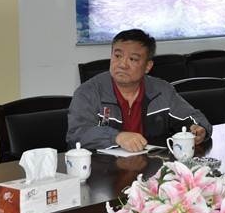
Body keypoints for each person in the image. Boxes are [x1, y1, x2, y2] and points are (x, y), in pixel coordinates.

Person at [67, 29, 212, 152]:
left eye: (133, 59)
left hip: (150, 167)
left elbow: (193, 117)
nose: (122, 64)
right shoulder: (89, 92)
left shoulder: (162, 90)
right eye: (117, 56)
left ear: (148, 66)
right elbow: (76, 135)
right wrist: (117, 137)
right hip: (104, 171)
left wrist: (200, 129)